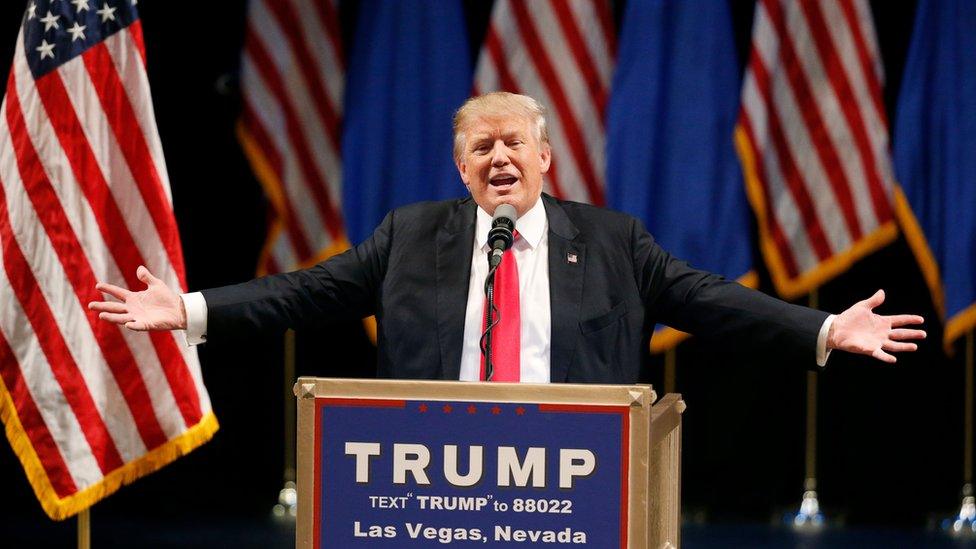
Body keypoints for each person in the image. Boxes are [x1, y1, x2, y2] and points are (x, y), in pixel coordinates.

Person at [89, 92, 925, 383]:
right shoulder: (410, 237)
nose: (498, 158)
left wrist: (822, 327)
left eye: (512, 143)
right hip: (435, 488)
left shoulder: (612, 242)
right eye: (481, 147)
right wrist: (191, 308)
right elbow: (301, 292)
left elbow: (710, 302)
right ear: (461, 167)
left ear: (545, 158)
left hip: (571, 485)